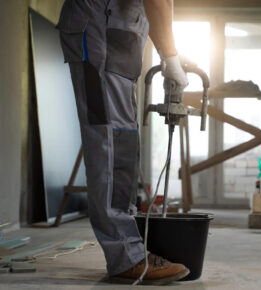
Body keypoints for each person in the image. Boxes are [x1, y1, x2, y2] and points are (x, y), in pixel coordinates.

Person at [56, 0, 189, 284]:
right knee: (111, 140)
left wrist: (169, 55)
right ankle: (125, 257)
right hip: (100, 31)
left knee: (123, 140)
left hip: (116, 33)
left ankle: (129, 248)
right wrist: (171, 56)